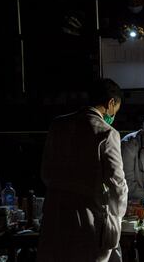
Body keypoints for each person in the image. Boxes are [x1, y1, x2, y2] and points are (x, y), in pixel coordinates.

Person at [37, 78, 128, 262]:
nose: (113, 115)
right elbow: (116, 184)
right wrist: (117, 217)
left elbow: (45, 173)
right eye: (115, 110)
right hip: (86, 221)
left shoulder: (58, 125)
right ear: (111, 103)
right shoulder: (107, 133)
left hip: (54, 215)